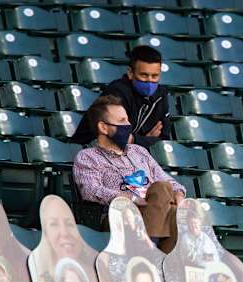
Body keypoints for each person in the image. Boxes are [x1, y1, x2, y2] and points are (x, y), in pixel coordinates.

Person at [73, 95, 185, 253]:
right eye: (121, 121)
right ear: (103, 127)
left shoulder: (139, 151)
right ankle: (155, 256)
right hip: (121, 215)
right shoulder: (88, 157)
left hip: (153, 208)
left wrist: (179, 194)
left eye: (127, 120)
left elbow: (165, 179)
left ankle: (152, 256)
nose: (128, 125)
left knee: (168, 197)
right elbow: (90, 191)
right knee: (165, 198)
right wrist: (129, 198)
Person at [71, 45, 170, 148]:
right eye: (144, 75)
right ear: (130, 73)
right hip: (89, 150)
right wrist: (144, 140)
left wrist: (134, 140)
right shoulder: (117, 92)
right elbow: (117, 136)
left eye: (154, 76)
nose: (149, 81)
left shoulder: (161, 95)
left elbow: (164, 141)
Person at [28, 195, 98, 282]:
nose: (65, 233)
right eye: (54, 224)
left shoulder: (97, 269)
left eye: (69, 224)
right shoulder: (34, 274)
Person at [96, 199, 164, 282]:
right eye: (124, 221)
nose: (126, 223)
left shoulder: (146, 250)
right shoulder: (104, 259)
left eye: (129, 221)